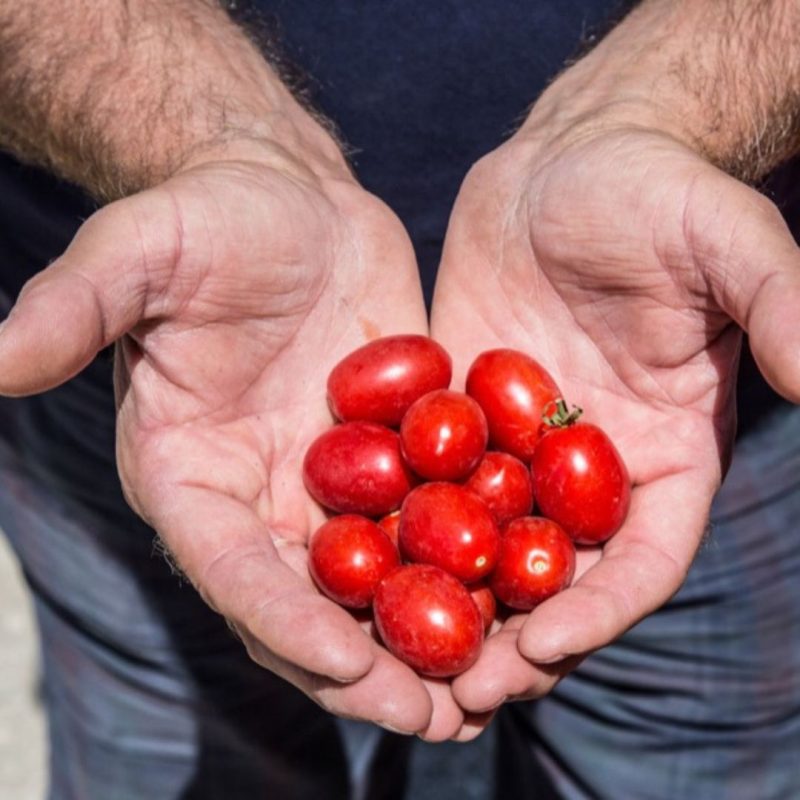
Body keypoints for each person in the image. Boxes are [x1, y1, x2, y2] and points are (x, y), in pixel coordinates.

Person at [1, 0, 799, 797]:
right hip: (200, 358)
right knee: (187, 738)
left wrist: (662, 108)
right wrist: (205, 142)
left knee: (685, 762)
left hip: (666, 360)